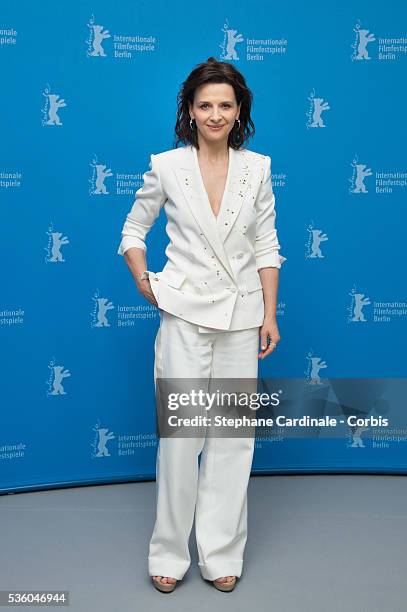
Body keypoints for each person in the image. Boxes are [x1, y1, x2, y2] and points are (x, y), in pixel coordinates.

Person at [117, 56, 286, 593]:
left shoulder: (257, 168)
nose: (215, 114)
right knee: (179, 438)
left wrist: (269, 312)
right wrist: (144, 278)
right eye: (205, 105)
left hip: (241, 318)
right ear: (189, 111)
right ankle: (168, 553)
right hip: (184, 316)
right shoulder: (166, 166)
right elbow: (133, 229)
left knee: (233, 439)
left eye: (225, 105)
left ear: (240, 113)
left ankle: (220, 554)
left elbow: (266, 245)